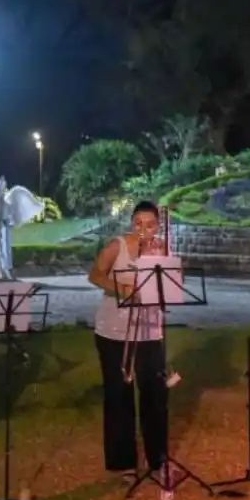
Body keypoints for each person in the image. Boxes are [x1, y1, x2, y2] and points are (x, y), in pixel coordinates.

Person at [88, 201, 170, 479]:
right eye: (138, 223)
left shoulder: (162, 249)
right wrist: (119, 288)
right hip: (113, 330)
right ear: (131, 224)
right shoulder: (117, 246)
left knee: (154, 395)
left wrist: (151, 260)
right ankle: (123, 462)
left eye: (150, 224)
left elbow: (166, 287)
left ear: (157, 226)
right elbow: (94, 274)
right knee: (118, 395)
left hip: (149, 330)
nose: (143, 229)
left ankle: (157, 460)